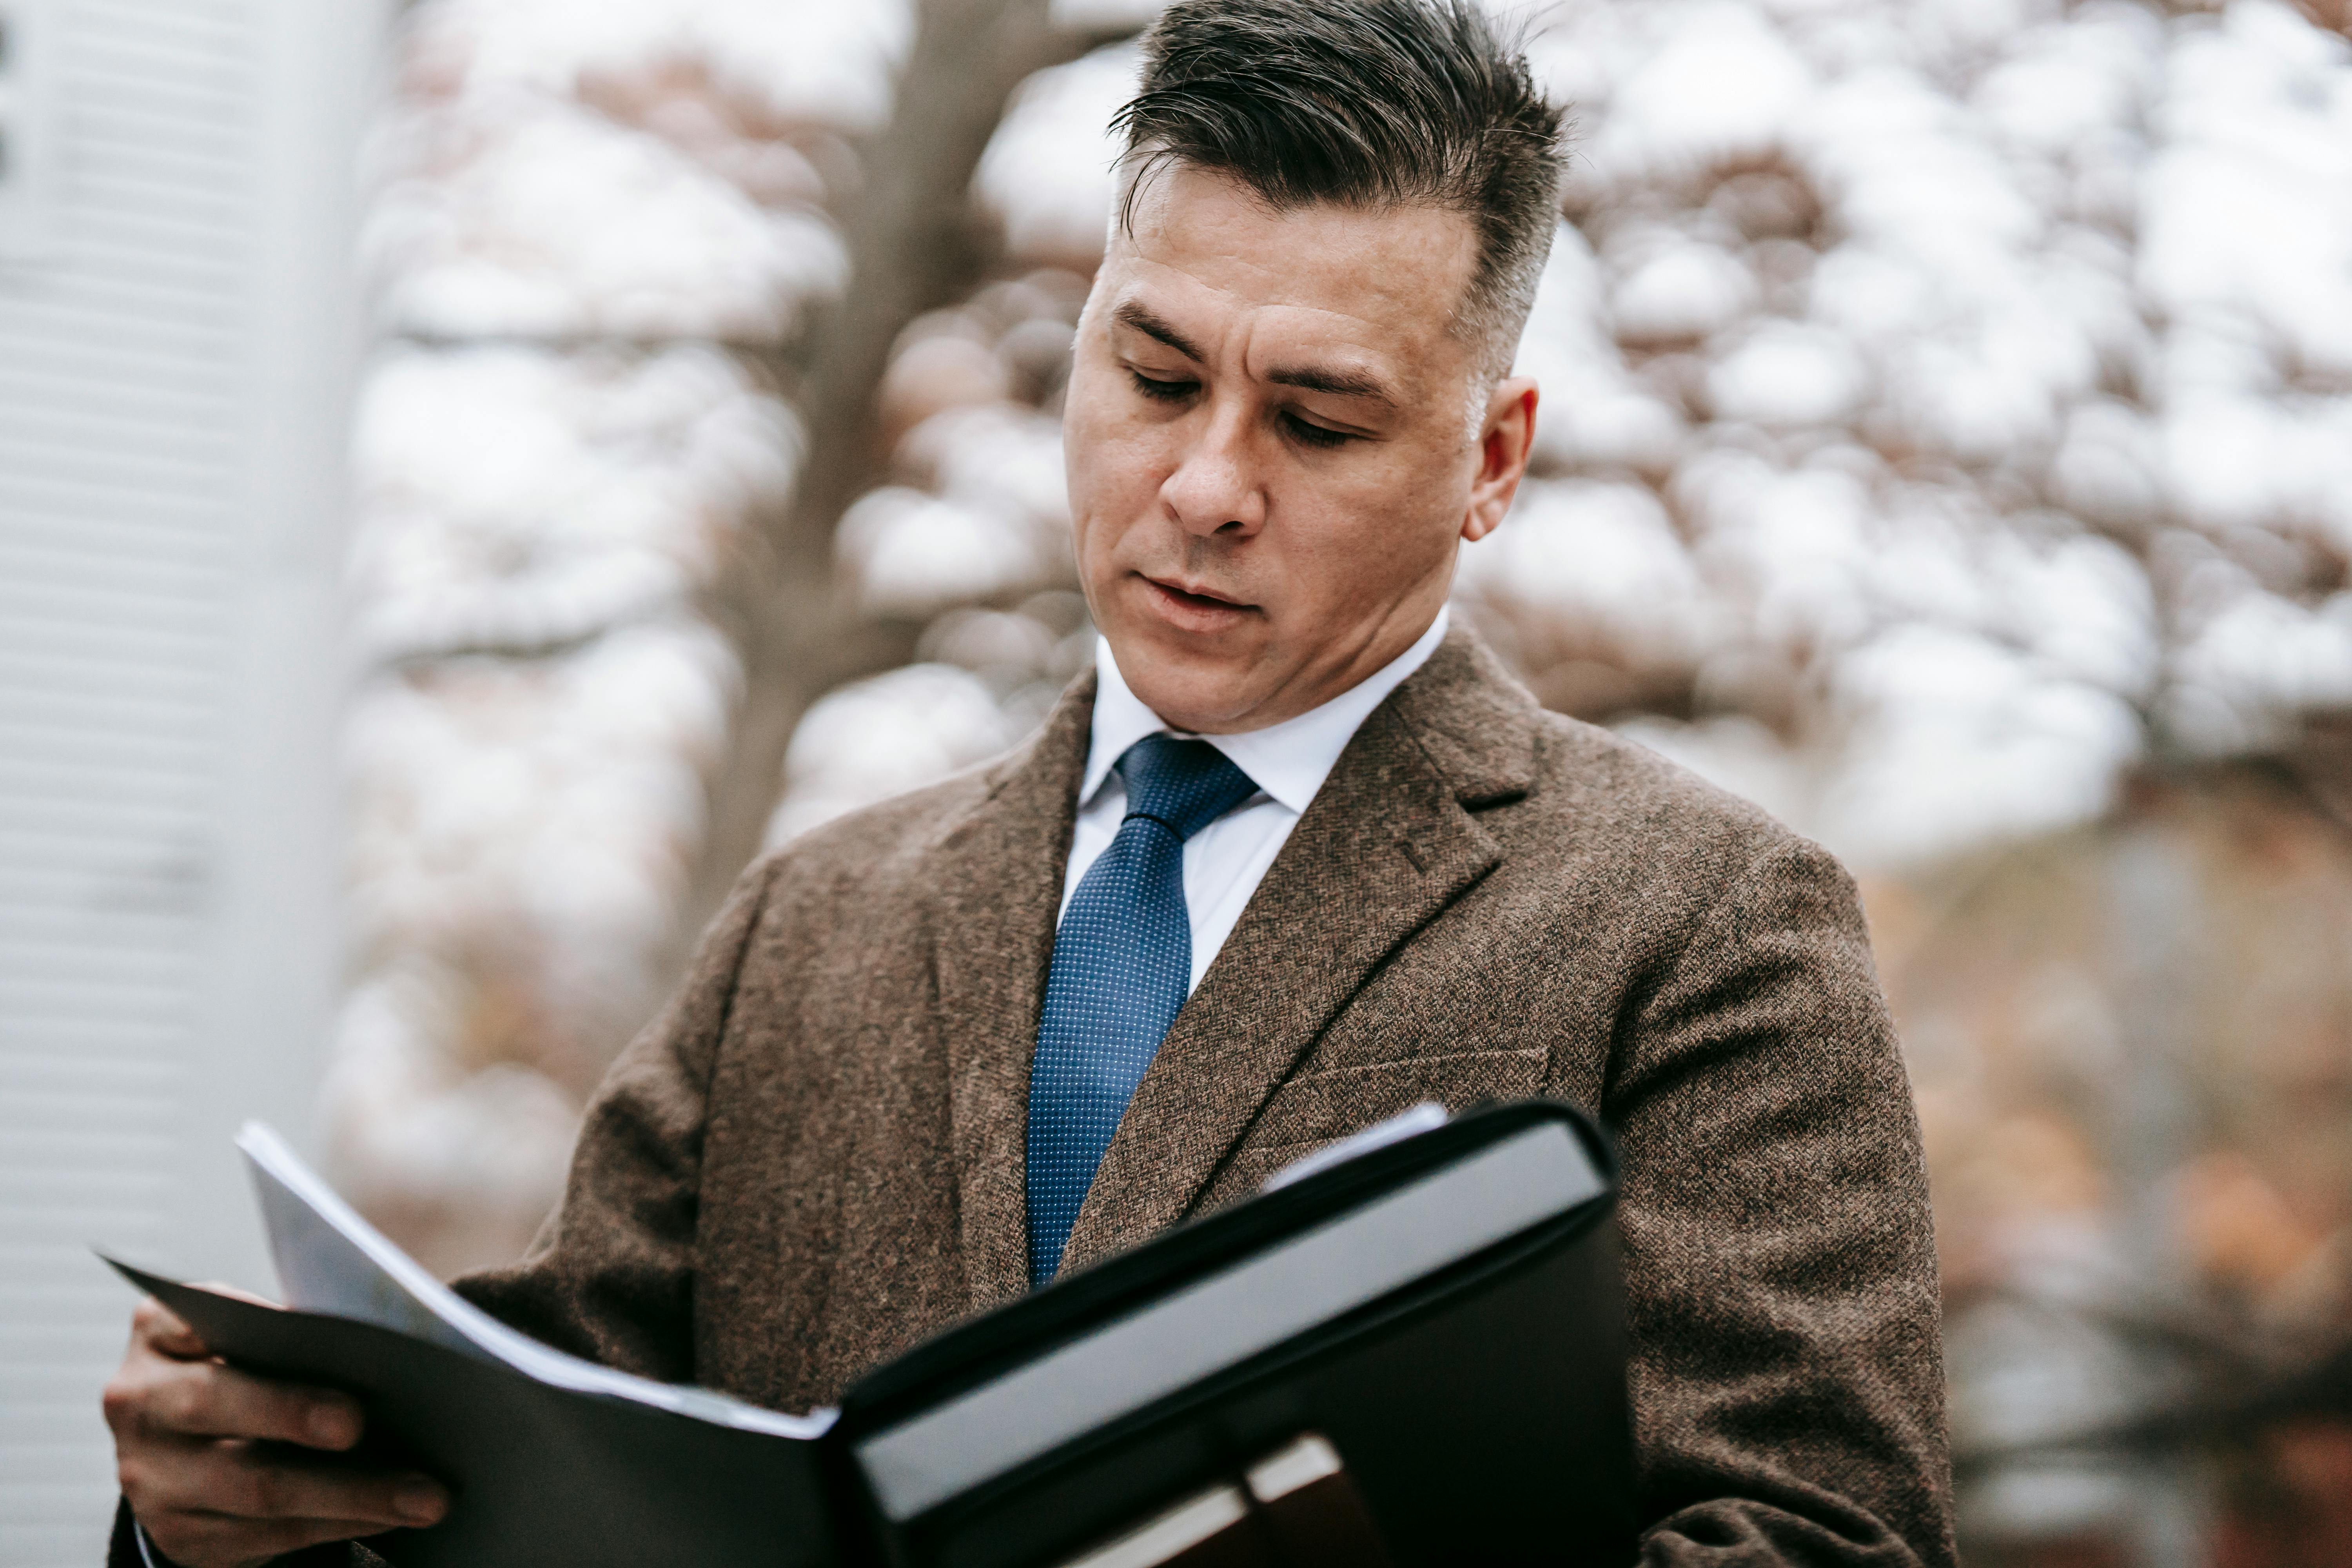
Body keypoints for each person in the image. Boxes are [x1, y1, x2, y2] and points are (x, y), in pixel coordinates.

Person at [102, 1, 1956, 1563]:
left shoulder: (1703, 927)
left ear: (1493, 458)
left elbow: (1817, 1539)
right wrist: (239, 1507)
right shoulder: (809, 925)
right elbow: (532, 1474)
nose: (1208, 484)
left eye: (1315, 421)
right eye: (1154, 375)